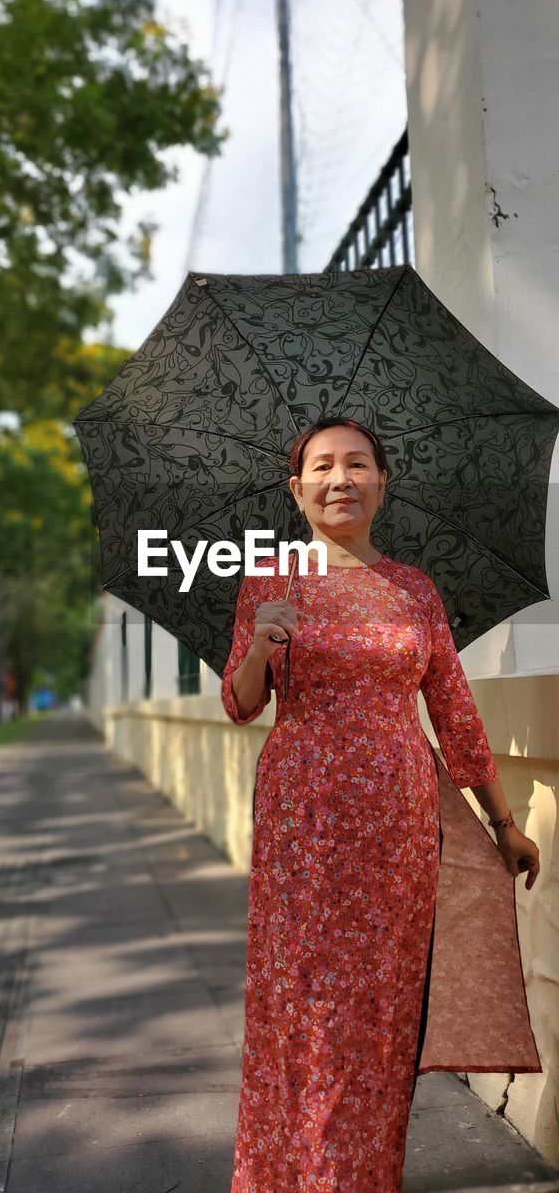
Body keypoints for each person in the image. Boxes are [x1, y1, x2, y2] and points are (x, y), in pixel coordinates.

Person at [221, 416, 541, 1193]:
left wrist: (504, 824)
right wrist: (263, 646)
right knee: (305, 1000)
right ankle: (287, 1172)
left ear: (382, 483)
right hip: (304, 817)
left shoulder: (413, 590)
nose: (341, 479)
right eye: (323, 467)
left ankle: (360, 1175)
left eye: (357, 464)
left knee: (380, 1009)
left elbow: (455, 710)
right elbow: (239, 703)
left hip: (400, 820)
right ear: (296, 490)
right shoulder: (271, 579)